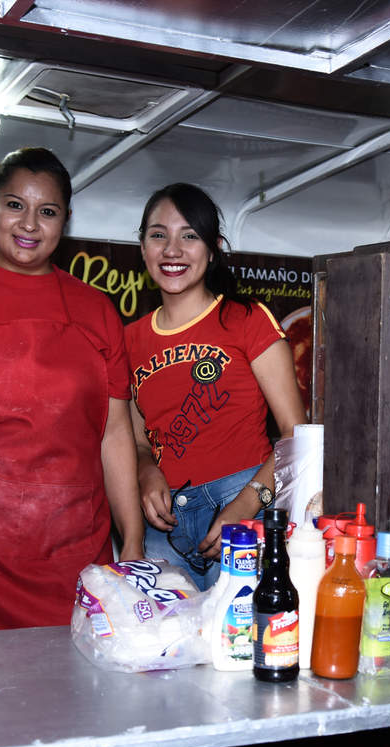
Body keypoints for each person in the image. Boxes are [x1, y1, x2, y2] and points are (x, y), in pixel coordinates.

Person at [0, 148, 143, 630]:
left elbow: (114, 434)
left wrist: (132, 538)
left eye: (47, 211)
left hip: (76, 556)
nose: (29, 224)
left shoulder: (97, 311)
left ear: (65, 220)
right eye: (14, 205)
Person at [127, 183, 307, 590]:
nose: (172, 250)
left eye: (189, 236)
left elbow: (296, 434)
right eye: (158, 235)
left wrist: (245, 505)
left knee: (246, 629)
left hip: (244, 513)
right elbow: (136, 441)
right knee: (165, 633)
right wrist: (146, 471)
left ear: (213, 249)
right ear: (143, 248)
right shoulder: (129, 340)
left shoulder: (247, 320)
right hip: (164, 524)